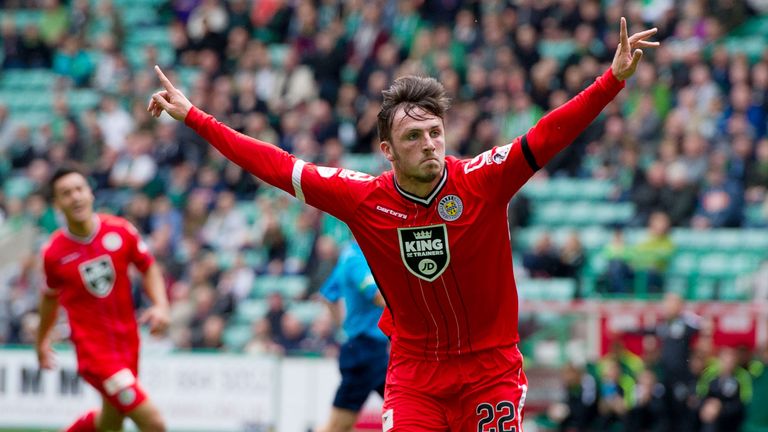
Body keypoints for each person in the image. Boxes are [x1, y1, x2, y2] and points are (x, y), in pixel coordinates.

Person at [148, 18, 658, 431]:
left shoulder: (484, 180)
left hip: (491, 371)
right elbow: (279, 166)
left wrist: (610, 80)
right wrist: (195, 117)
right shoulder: (364, 199)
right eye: (414, 136)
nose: (430, 143)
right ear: (388, 151)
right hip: (416, 376)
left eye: (436, 132)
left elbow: (549, 134)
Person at [36, 167, 169, 432]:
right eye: (65, 194)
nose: (75, 198)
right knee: (153, 423)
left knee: (110, 423)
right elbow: (49, 299)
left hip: (128, 345)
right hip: (95, 356)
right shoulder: (54, 253)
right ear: (57, 204)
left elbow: (148, 266)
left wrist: (161, 306)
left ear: (90, 193)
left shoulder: (120, 231)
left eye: (79, 189)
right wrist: (41, 342)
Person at [318, 239, 388, 432]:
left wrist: (342, 329)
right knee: (338, 425)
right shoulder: (358, 259)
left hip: (366, 348)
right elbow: (379, 297)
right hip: (366, 351)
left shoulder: (348, 255)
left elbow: (327, 295)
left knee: (409, 410)